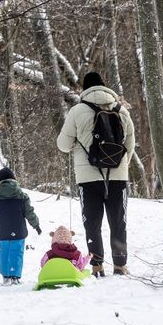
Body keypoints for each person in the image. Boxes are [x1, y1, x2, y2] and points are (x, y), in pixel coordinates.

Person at [56, 71, 136, 277]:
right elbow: (130, 144)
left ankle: (97, 265)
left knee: (92, 222)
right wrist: (121, 164)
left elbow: (63, 145)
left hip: (88, 178)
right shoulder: (121, 111)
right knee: (118, 221)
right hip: (118, 177)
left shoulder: (77, 110)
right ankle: (120, 264)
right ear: (104, 86)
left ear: (85, 89)